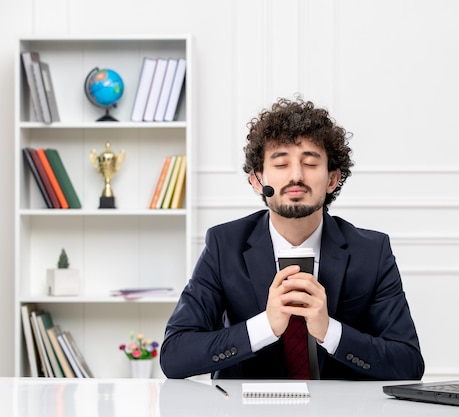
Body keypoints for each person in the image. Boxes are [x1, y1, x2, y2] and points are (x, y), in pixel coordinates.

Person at [160, 97, 425, 380]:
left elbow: (408, 363)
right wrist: (265, 326)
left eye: (310, 163)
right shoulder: (224, 245)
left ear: (332, 179)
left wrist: (330, 331)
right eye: (281, 163)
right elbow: (175, 356)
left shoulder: (372, 251)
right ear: (257, 180)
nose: (296, 176)